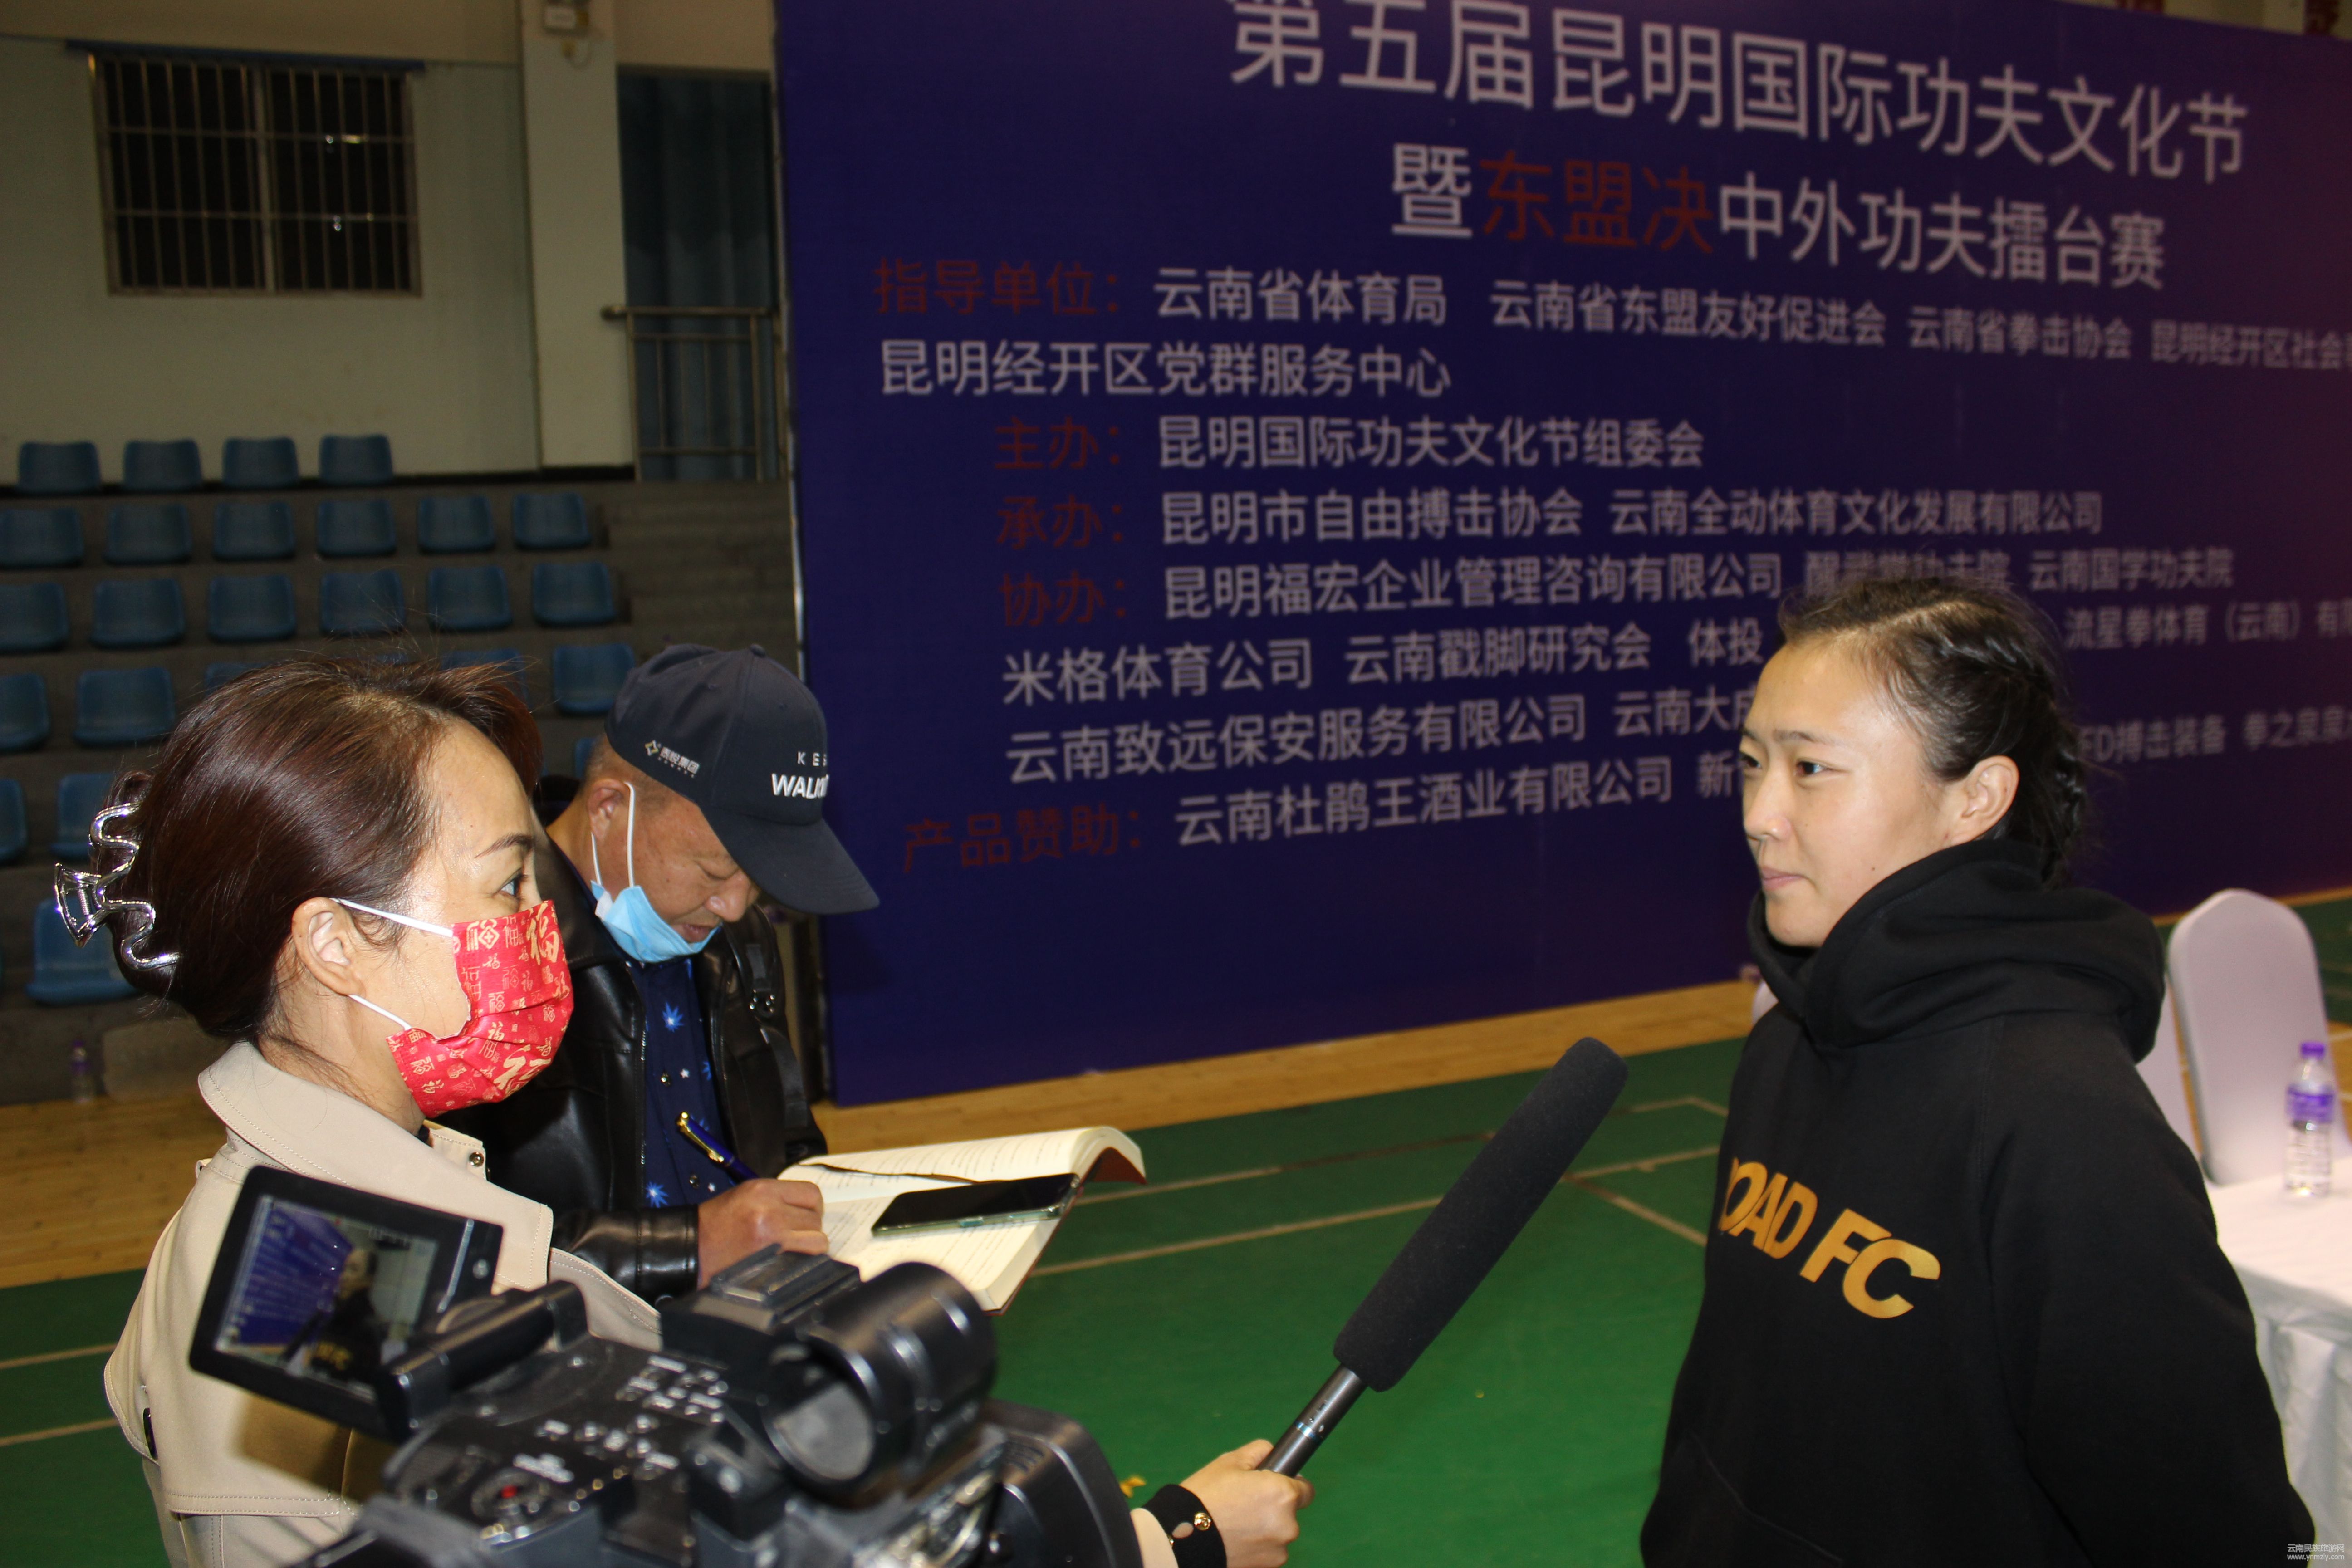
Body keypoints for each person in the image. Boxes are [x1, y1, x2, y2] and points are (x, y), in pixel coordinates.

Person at [1642, 578, 2311, 1565]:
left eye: (1811, 768)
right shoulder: (1788, 1040)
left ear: (1976, 799)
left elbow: (2207, 1521)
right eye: (1752, 763)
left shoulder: (2064, 1120)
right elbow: (1736, 1400)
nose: (1760, 813)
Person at [91, 656, 659, 1565]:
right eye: (508, 884)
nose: (541, 920)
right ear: (337, 943)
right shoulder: (314, 1293)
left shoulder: (364, 1194)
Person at [441, 644, 862, 1298]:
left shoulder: (735, 936)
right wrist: (688, 1249)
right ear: (610, 807)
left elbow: (788, 1140)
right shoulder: (483, 958)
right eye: (714, 870)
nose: (735, 906)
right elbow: (451, 1245)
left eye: (758, 878)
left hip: (746, 1311)